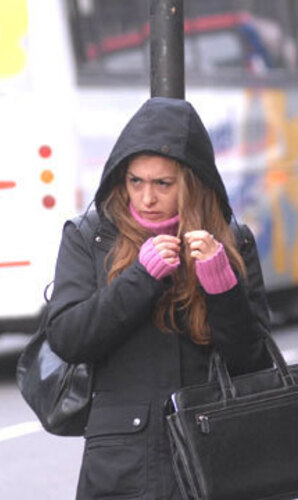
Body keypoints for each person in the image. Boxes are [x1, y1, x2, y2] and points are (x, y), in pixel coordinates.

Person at [44, 97, 273, 499]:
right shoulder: (91, 236)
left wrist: (222, 286)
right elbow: (67, 337)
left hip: (214, 450)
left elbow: (253, 363)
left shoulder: (231, 239)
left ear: (192, 182)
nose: (146, 198)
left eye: (162, 184)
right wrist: (140, 278)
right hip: (122, 462)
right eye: (135, 181)